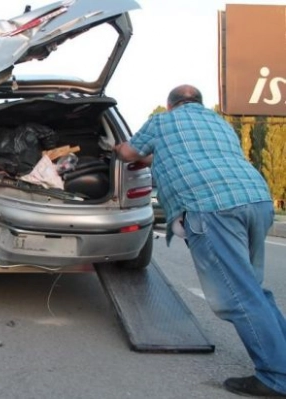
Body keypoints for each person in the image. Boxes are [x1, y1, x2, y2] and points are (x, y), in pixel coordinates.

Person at [115, 85, 286, 397]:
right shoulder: (220, 124)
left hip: (213, 208)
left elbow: (129, 153)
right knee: (254, 289)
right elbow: (188, 156)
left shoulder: (163, 122)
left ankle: (276, 377)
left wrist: (116, 149)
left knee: (237, 297)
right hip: (257, 201)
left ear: (171, 106)